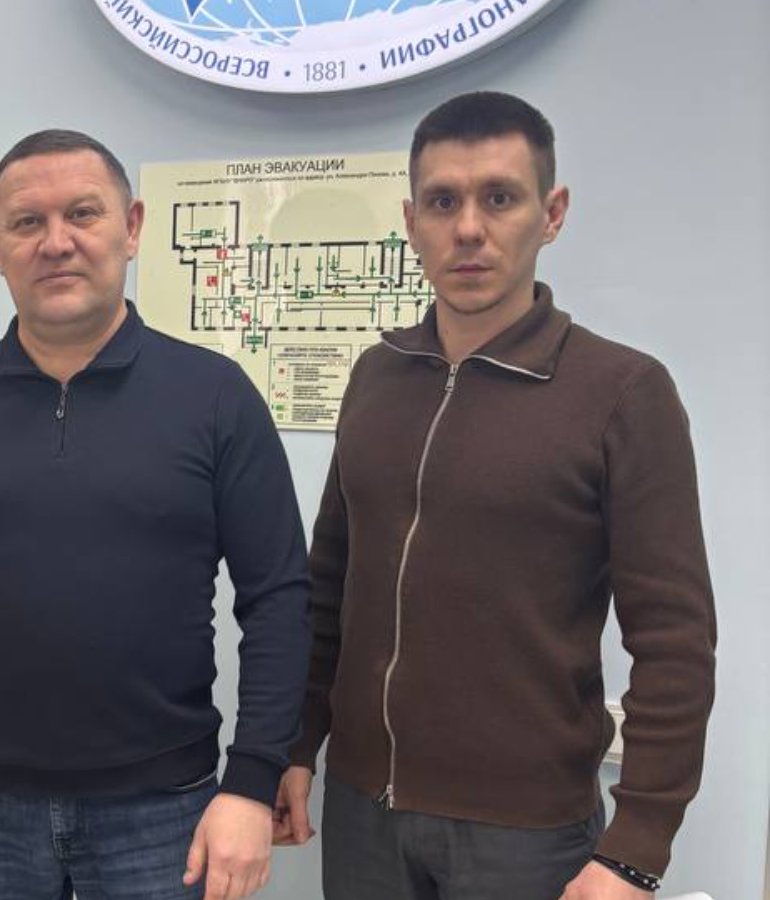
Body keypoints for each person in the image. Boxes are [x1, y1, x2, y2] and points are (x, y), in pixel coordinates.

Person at [272, 91, 717, 900]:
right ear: (411, 221)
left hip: (526, 835)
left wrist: (635, 848)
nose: (469, 228)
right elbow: (330, 584)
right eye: (443, 202)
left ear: (552, 214)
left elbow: (675, 640)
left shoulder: (623, 392)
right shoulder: (376, 376)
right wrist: (298, 744)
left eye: (500, 198)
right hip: (363, 812)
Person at [0, 129, 311, 900]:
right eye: (27, 222)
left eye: (82, 214)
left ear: (131, 228)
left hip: (164, 811)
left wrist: (253, 780)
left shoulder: (216, 397)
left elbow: (279, 600)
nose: (55, 242)